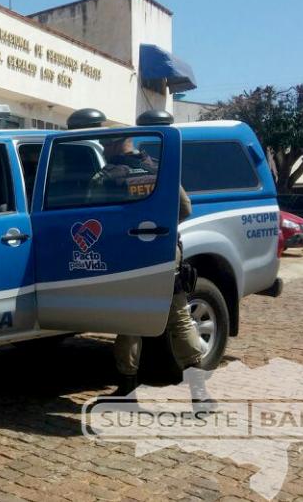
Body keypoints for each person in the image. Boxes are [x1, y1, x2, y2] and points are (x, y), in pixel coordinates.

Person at [90, 135, 209, 403]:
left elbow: (92, 216)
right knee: (179, 318)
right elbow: (185, 207)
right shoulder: (159, 168)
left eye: (105, 145)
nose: (104, 150)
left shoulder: (106, 176)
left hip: (128, 254)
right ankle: (199, 393)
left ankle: (127, 392)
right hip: (163, 251)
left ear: (115, 144)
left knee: (129, 320)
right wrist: (158, 229)